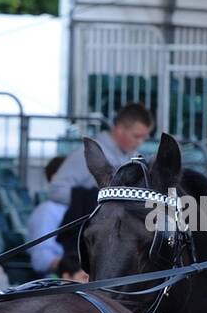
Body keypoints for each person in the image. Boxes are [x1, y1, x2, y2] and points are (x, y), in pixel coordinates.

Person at [28, 103, 154, 275]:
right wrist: (91, 201)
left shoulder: (132, 158)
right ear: (119, 129)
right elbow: (56, 190)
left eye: (143, 138)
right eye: (136, 136)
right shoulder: (87, 155)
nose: (140, 142)